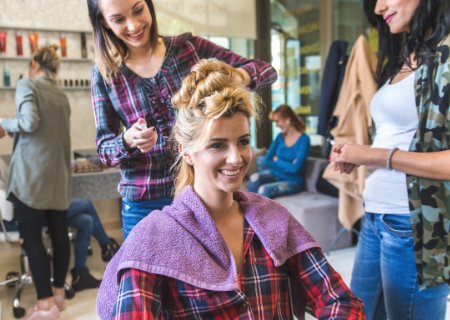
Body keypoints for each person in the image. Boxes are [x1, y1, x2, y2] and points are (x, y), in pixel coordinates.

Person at [96, 59, 364, 319]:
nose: (236, 158)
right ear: (186, 152)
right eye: (217, 145)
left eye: (243, 141)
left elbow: (339, 300)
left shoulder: (274, 220)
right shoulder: (154, 237)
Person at [86, 0, 277, 239]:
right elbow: (104, 150)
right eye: (119, 19)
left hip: (201, 193)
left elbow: (266, 70)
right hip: (144, 205)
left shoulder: (188, 48)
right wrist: (128, 140)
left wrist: (237, 76)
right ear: (103, 22)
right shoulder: (105, 75)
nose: (134, 25)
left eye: (138, 10)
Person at [330, 0, 450, 319]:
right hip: (376, 215)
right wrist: (360, 154)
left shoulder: (447, 54)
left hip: (413, 224)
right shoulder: (404, 56)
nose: (380, 8)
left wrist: (374, 155)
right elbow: (402, 135)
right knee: (359, 312)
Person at [0, 45, 71, 320]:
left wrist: (4, 123)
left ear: (33, 64)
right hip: (58, 180)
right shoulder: (61, 96)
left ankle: (44, 307)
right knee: (58, 235)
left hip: (31, 180)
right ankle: (57, 296)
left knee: (32, 239)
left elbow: (29, 121)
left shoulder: (27, 83)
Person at [248, 104, 310, 198]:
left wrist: (277, 160)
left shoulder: (304, 139)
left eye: (277, 121)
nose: (276, 125)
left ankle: (259, 212)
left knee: (265, 189)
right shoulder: (279, 137)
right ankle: (249, 211)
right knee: (254, 178)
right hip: (274, 174)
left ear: (288, 119)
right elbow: (267, 159)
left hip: (293, 181)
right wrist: (288, 164)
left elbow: (295, 169)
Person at [67, 198, 120, 292]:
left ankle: (80, 275)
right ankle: (107, 245)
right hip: (41, 210)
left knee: (87, 221)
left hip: (53, 205)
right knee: (86, 203)